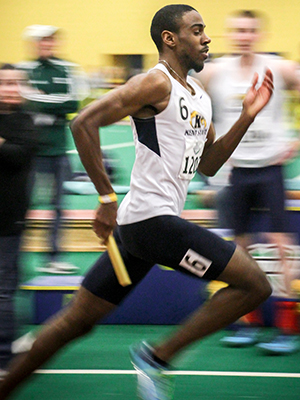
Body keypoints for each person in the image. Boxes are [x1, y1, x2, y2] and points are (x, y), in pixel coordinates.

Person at [0, 5, 273, 400]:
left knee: (76, 322)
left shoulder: (198, 95)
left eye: (205, 30)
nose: (207, 37)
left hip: (140, 232)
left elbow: (210, 165)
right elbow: (83, 123)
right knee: (254, 284)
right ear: (170, 38)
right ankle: (157, 357)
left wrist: (246, 116)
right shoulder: (155, 84)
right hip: (149, 222)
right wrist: (106, 197)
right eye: (197, 30)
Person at [195, 9, 300, 353]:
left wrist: (296, 141)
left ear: (259, 34)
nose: (244, 35)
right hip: (235, 170)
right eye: (237, 30)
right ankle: (248, 322)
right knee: (239, 251)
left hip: (270, 169)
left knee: (281, 247)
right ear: (229, 34)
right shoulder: (214, 72)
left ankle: (287, 329)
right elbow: (185, 102)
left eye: (250, 30)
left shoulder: (279, 68)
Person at [19, 24, 90, 274]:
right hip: (31, 151)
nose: (46, 45)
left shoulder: (67, 69)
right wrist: (52, 105)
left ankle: (54, 257)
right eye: (42, 41)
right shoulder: (24, 70)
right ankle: (16, 256)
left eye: (50, 41)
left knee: (58, 206)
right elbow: (24, 102)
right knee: (22, 203)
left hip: (58, 150)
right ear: (35, 44)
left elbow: (73, 102)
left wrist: (39, 100)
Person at [0, 64, 37, 379]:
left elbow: (19, 155)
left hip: (10, 219)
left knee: (7, 286)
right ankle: (6, 347)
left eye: (14, 83)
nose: (9, 89)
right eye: (3, 83)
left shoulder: (25, 121)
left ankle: (6, 351)